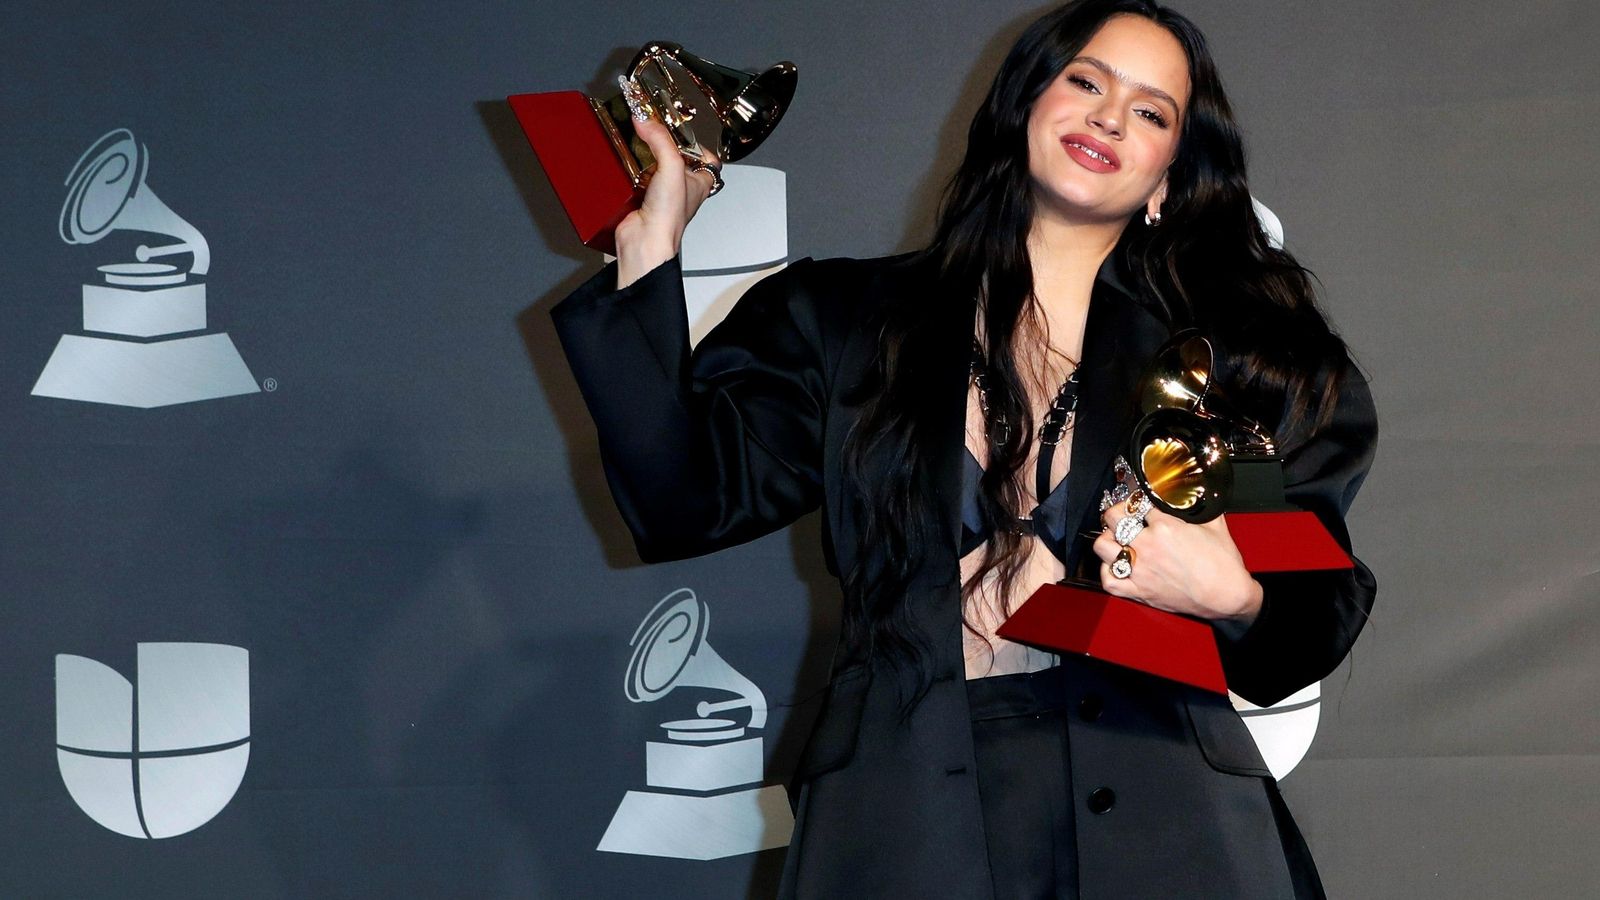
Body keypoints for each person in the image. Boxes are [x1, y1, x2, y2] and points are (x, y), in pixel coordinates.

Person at [551, 1, 1377, 897]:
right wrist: (650, 247)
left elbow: (1314, 605)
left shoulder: (1223, 368)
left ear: (1169, 176)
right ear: (1024, 100)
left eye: (1151, 112)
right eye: (1086, 82)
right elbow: (680, 497)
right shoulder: (844, 320)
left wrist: (1235, 593)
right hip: (901, 817)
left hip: (1166, 821)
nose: (1109, 116)